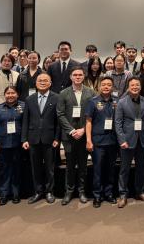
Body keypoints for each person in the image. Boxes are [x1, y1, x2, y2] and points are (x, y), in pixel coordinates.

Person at [56, 67, 96, 205]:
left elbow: (93, 114)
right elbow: (60, 114)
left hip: (84, 135)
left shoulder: (91, 92)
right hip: (69, 136)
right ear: (71, 77)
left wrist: (83, 130)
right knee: (70, 166)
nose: (78, 77)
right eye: (75, 75)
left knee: (83, 166)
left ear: (84, 76)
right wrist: (72, 131)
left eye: (80, 75)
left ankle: (82, 191)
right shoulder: (63, 93)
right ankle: (69, 191)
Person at [21, 73, 60, 204]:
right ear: (36, 83)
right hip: (33, 139)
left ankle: (49, 192)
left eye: (45, 80)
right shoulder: (29, 99)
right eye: (40, 80)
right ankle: (38, 192)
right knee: (35, 168)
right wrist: (24, 139)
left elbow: (58, 121)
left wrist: (57, 138)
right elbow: (25, 120)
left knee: (50, 168)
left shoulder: (57, 98)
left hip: (50, 139)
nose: (42, 82)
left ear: (50, 83)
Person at [115, 77, 144, 208]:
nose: (135, 87)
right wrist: (122, 140)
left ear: (140, 87)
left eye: (137, 85)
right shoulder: (121, 102)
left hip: (142, 140)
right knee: (124, 169)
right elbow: (118, 123)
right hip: (127, 141)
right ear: (128, 87)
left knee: (141, 168)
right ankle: (123, 194)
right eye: (132, 85)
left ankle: (140, 192)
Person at [85, 76, 119, 208]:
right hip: (98, 142)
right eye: (103, 84)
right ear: (99, 86)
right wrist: (88, 140)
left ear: (112, 87)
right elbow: (88, 122)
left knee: (110, 170)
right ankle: (97, 195)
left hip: (113, 141)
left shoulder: (117, 101)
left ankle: (109, 193)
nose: (106, 87)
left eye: (109, 84)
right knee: (97, 170)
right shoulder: (93, 101)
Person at [0, 86, 24, 205]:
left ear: (17, 94)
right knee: (4, 170)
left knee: (17, 170)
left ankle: (16, 194)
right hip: (2, 145)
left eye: (13, 93)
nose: (10, 95)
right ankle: (4, 194)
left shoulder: (23, 106)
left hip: (19, 144)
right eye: (8, 93)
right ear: (5, 95)